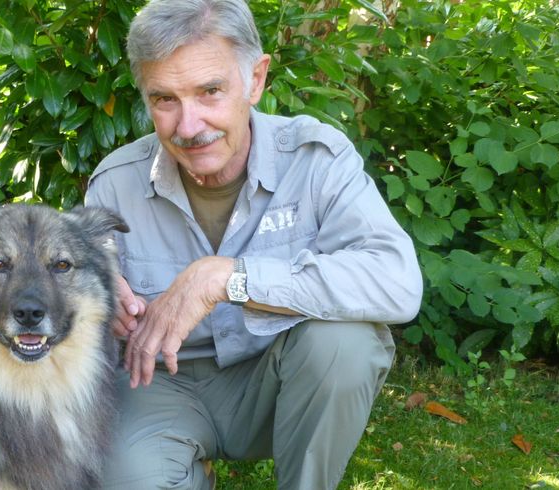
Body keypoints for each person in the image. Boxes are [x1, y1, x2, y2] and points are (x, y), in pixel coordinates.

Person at [84, 0, 423, 488]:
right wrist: (95, 296)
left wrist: (226, 278)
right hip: (158, 386)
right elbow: (72, 294)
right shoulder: (115, 183)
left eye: (210, 91)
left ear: (256, 80)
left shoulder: (316, 160)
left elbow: (397, 284)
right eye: (165, 99)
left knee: (344, 343)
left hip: (283, 378)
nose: (189, 125)